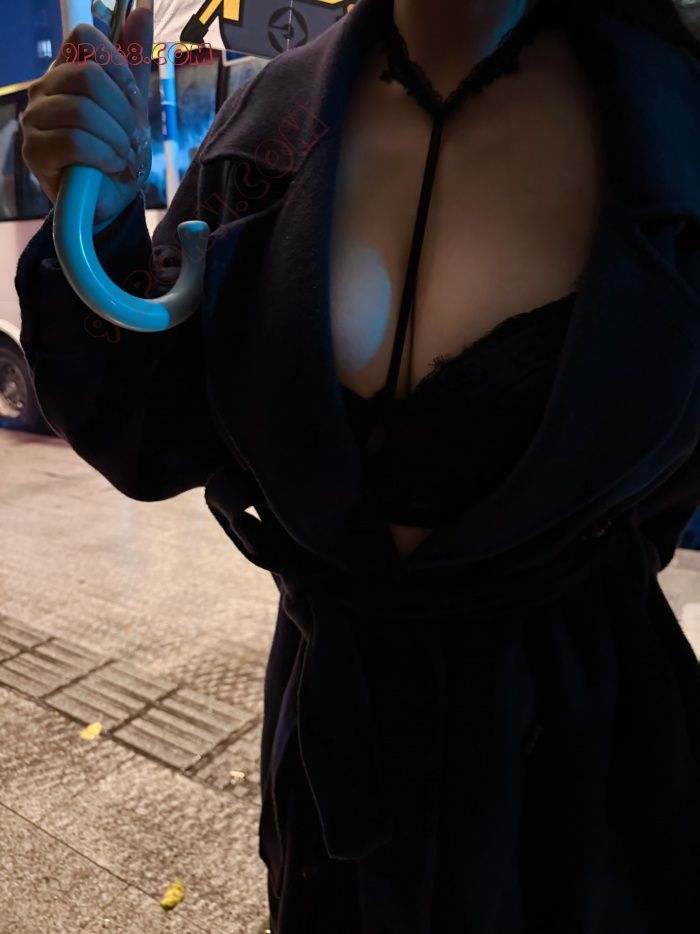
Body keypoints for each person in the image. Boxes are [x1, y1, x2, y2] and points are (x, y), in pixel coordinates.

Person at [15, 0, 700, 930]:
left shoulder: (671, 116)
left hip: (591, 771)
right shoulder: (269, 122)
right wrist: (95, 219)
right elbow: (152, 429)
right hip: (337, 763)